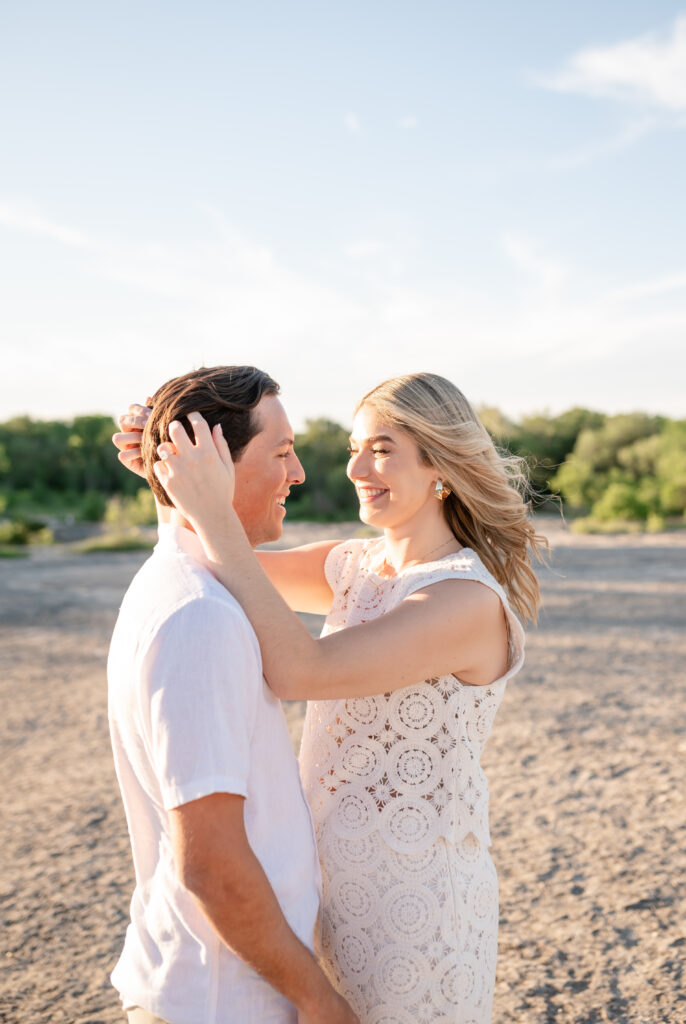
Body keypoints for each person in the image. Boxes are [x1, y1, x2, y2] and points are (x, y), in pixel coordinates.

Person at [114, 371, 546, 1023]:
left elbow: (301, 670)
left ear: (443, 466)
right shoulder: (354, 567)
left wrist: (206, 504)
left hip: (415, 914)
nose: (355, 468)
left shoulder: (466, 600)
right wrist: (172, 469)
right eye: (352, 448)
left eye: (382, 448)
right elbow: (209, 556)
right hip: (324, 905)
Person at [108, 365, 359, 1024]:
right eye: (281, 452)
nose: (299, 472)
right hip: (220, 1001)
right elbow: (213, 863)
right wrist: (317, 998)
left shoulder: (186, 582)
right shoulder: (201, 617)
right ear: (216, 465)